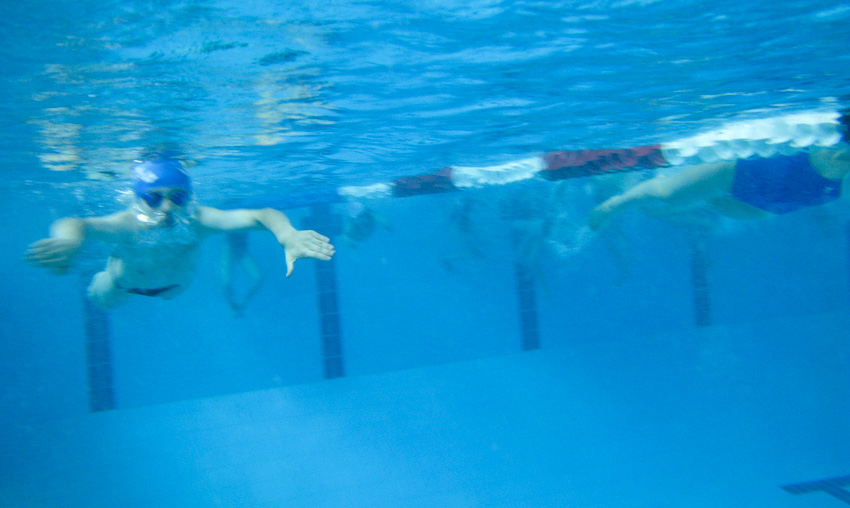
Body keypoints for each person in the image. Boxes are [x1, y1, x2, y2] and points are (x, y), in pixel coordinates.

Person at [24, 155, 335, 309]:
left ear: (189, 197)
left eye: (178, 197)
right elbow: (76, 223)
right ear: (137, 199)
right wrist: (68, 241)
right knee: (99, 299)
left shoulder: (199, 220)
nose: (167, 207)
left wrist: (287, 235)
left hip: (172, 289)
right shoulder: (126, 224)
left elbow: (262, 214)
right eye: (153, 197)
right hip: (119, 287)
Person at [588, 141, 850, 231]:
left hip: (763, 207)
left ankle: (695, 195)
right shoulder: (835, 147)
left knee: (707, 201)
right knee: (666, 193)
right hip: (737, 173)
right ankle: (615, 204)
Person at [222, 232, 263, 317]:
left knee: (258, 278)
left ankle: (239, 305)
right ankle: (233, 308)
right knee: (226, 281)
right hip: (230, 248)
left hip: (240, 249)